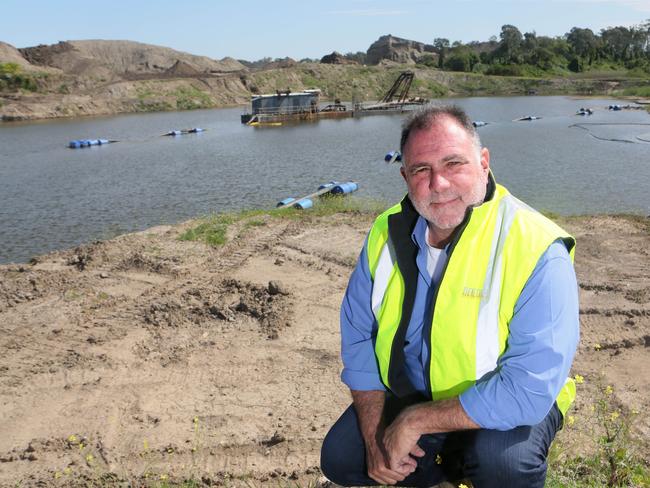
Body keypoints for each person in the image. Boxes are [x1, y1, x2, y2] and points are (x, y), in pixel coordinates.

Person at [320, 104, 579, 488]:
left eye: (453, 164)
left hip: (505, 399)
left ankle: (458, 461)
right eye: (422, 170)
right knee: (343, 456)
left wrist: (414, 421)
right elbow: (358, 334)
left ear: (484, 162)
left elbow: (529, 388)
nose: (438, 184)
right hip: (415, 390)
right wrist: (377, 434)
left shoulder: (537, 247)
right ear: (405, 175)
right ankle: (438, 473)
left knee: (502, 464)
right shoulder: (384, 233)